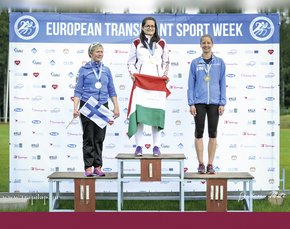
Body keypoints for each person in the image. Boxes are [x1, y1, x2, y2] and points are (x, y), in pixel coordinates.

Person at [73, 42, 120, 177]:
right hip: (87, 106)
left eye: (101, 51)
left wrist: (116, 106)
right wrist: (75, 108)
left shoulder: (106, 70)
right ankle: (88, 167)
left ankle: (98, 166)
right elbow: (78, 91)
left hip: (102, 106)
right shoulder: (84, 70)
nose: (100, 54)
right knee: (88, 137)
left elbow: (111, 90)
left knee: (99, 137)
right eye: (97, 51)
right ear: (91, 54)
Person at [127, 16, 170, 156]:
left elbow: (166, 62)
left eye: (153, 26)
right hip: (141, 84)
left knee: (155, 115)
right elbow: (130, 63)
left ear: (155, 27)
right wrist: (134, 74)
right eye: (147, 26)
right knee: (140, 115)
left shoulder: (162, 43)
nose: (150, 28)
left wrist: (164, 75)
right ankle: (139, 146)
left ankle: (156, 146)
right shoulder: (136, 42)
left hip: (157, 84)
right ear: (142, 27)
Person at [187, 34, 226, 174]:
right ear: (200, 45)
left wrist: (222, 102)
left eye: (208, 42)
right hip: (199, 103)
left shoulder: (220, 63)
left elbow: (223, 83)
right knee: (199, 133)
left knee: (213, 134)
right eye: (203, 43)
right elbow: (191, 85)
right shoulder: (195, 63)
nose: (206, 45)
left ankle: (210, 164)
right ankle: (201, 164)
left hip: (215, 102)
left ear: (212, 44)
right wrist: (191, 103)